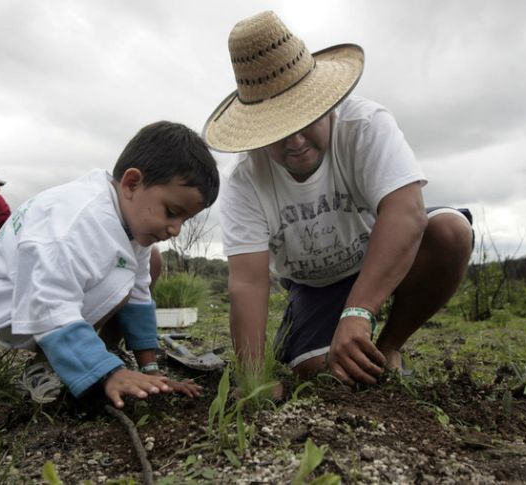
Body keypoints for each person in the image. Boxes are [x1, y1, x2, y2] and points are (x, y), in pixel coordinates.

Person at [203, 11, 474, 387]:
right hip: (314, 285)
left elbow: (407, 213)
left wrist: (359, 311)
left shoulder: (365, 125)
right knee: (325, 373)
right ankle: (311, 335)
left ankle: (389, 345)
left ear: (325, 103)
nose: (295, 143)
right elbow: (248, 281)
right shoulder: (244, 180)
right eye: (279, 132)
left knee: (449, 232)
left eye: (305, 120)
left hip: (378, 256)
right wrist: (252, 379)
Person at [0, 121, 220, 408]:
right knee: (118, 276)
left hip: (39, 298)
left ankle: (104, 355)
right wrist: (106, 373)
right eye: (172, 212)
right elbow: (49, 301)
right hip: (11, 309)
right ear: (132, 183)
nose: (175, 229)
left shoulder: (129, 221)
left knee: (150, 261)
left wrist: (152, 370)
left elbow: (139, 293)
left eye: (184, 220)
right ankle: (54, 365)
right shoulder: (76, 223)